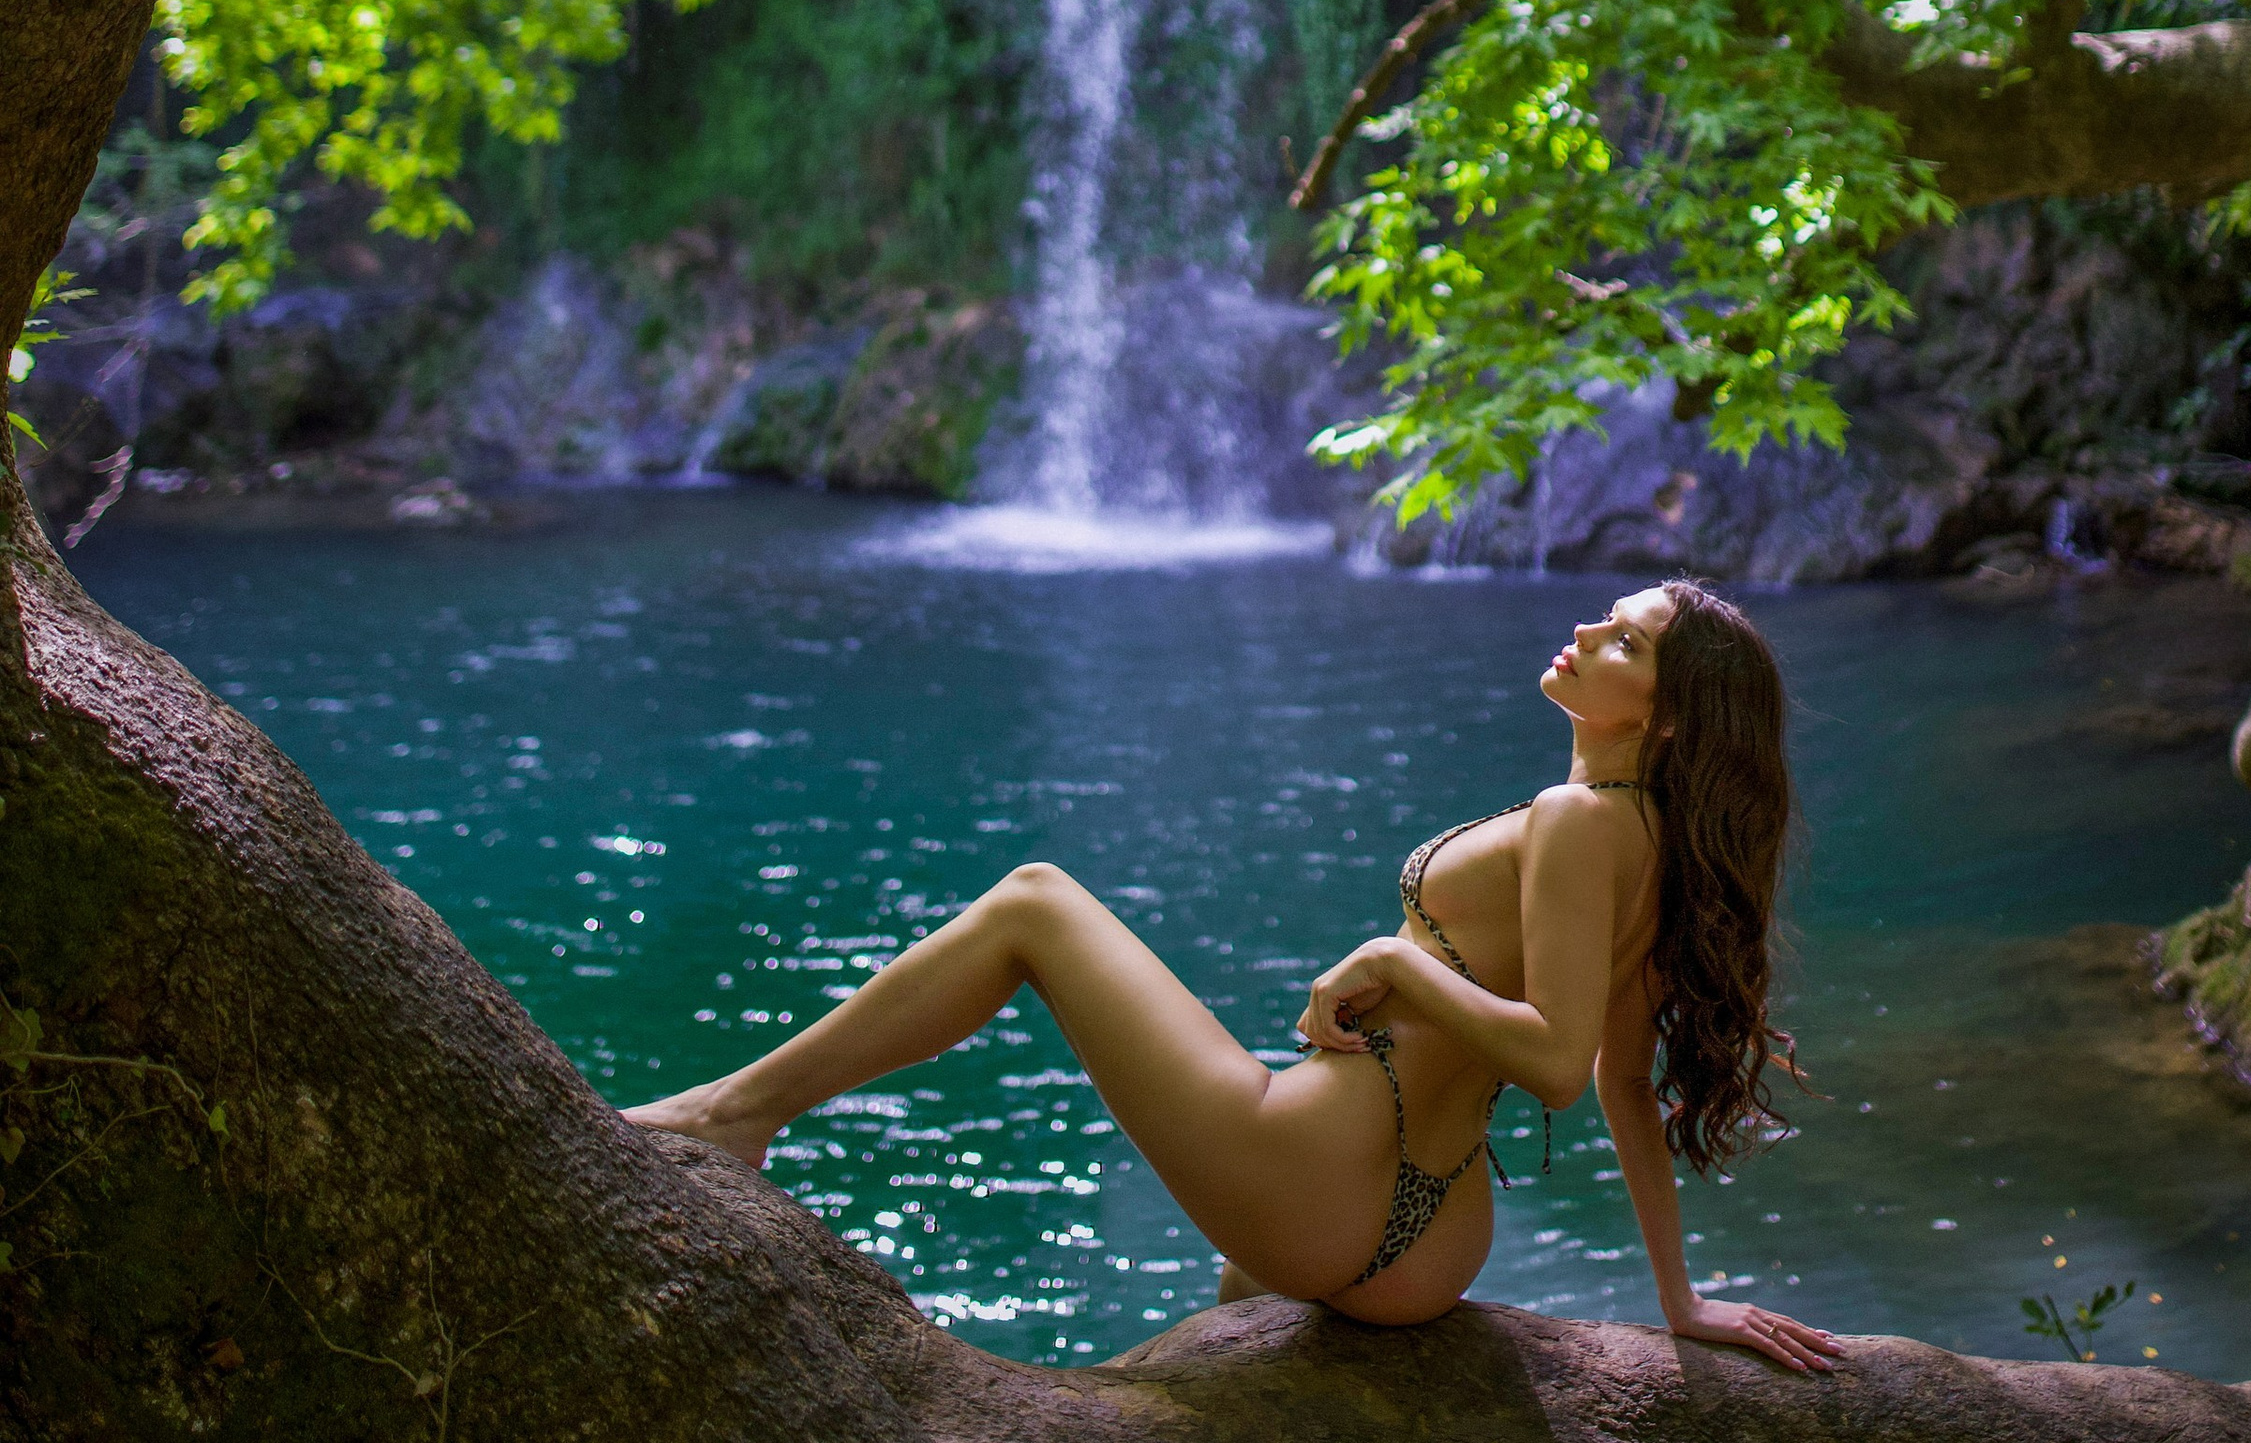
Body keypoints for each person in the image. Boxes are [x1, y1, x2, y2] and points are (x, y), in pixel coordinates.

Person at [626, 577, 1843, 1370]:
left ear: (1666, 717)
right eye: (1606, 616)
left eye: (1625, 641)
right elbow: (1626, 1078)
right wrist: (1680, 1301)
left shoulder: (1580, 820)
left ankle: (736, 1113)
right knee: (1226, 1337)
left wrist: (1393, 960)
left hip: (1322, 1173)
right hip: (1430, 1240)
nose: (1584, 633)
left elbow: (1561, 1066)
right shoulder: (1646, 840)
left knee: (1035, 903)